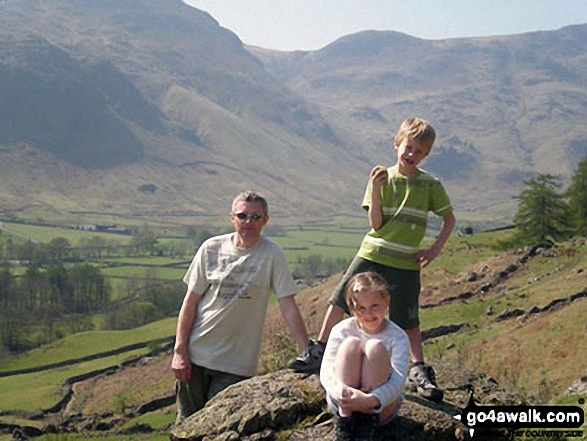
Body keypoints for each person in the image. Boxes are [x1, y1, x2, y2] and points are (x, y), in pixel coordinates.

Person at [290, 118, 456, 403]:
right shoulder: (382, 178)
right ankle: (319, 348)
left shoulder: (431, 185)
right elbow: (376, 224)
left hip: (406, 260)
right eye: (408, 147)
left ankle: (418, 370)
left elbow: (449, 219)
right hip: (374, 252)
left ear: (426, 154)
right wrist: (376, 191)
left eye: (419, 151)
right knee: (342, 298)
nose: (411, 155)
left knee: (408, 317)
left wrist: (433, 250)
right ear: (397, 144)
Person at [172, 191, 310, 422]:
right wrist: (180, 351)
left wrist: (307, 350)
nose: (249, 222)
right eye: (243, 215)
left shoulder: (273, 254)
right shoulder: (211, 248)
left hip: (237, 365)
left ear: (265, 220)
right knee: (186, 425)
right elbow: (190, 302)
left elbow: (288, 305)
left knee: (217, 428)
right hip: (196, 356)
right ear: (232, 218)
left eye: (256, 217)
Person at [320, 271, 409, 440]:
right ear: (351, 308)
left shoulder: (397, 336)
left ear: (387, 302)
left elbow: (398, 381)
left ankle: (367, 421)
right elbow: (326, 371)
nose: (368, 314)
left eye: (374, 306)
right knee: (351, 344)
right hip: (343, 403)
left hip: (379, 407)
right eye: (361, 308)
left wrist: (371, 400)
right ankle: (345, 422)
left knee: (375, 348)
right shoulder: (341, 330)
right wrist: (340, 393)